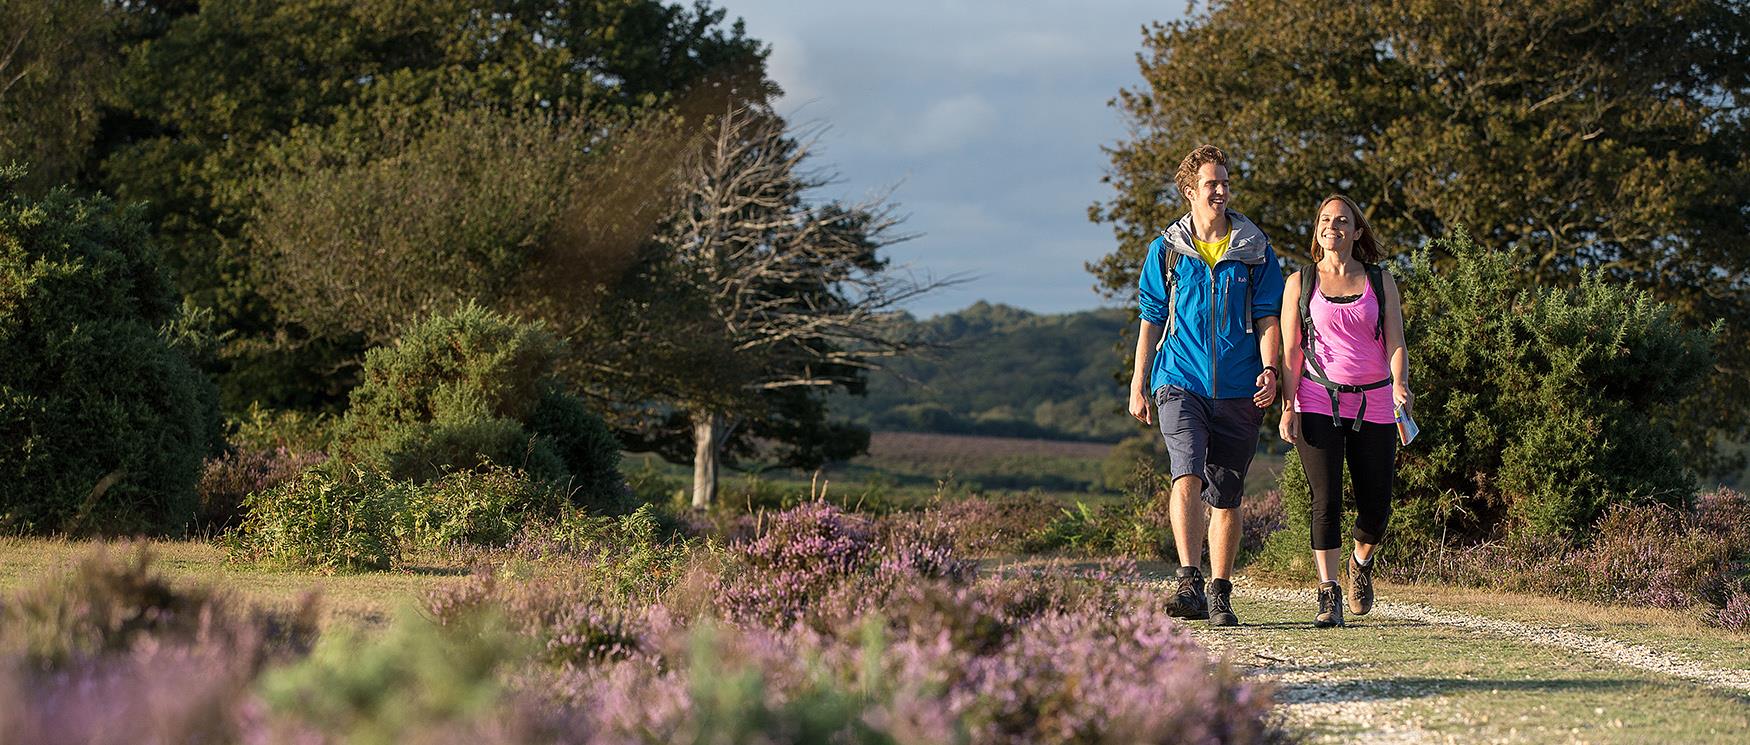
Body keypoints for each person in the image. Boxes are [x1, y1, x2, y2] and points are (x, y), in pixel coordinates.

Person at [1129, 145, 1285, 626]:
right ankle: (1188, 582)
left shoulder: (1255, 250)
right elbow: (1151, 319)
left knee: (1227, 494)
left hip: (1240, 387)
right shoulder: (1167, 250)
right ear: (1190, 191)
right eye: (1211, 184)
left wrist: (1271, 370)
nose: (1220, 190)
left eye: (1225, 182)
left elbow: (1267, 318)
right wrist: (1139, 382)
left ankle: (1220, 592)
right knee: (1187, 473)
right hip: (1179, 380)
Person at [1277, 194, 1411, 628]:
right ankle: (1328, 591)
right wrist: (1287, 406)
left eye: (1341, 220)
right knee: (1326, 500)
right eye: (1325, 219)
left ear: (1356, 232)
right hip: (1317, 399)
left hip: (1374, 402)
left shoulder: (1379, 280)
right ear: (1317, 230)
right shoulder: (1300, 282)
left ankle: (1360, 563)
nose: (1332, 225)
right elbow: (1291, 350)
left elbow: (1395, 342)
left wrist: (1400, 385)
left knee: (1377, 505)